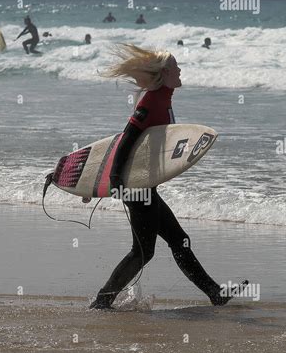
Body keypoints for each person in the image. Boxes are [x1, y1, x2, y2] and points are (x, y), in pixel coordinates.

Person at [90, 43, 247, 309]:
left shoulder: (164, 97)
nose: (180, 69)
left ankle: (214, 293)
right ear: (164, 73)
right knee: (144, 251)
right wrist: (114, 179)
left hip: (144, 186)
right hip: (137, 188)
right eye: (176, 66)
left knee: (177, 240)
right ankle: (103, 301)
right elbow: (126, 140)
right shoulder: (151, 102)